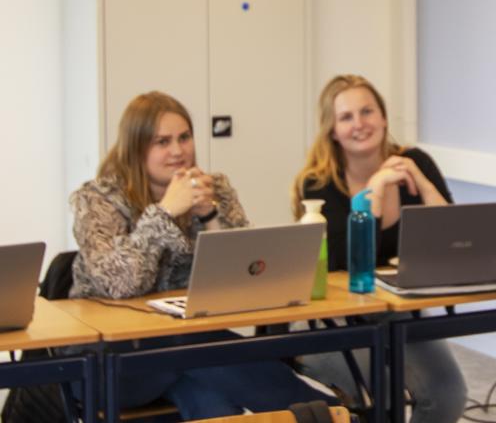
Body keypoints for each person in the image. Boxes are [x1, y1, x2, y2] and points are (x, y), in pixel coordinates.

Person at [69, 91, 335, 419]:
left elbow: (248, 277)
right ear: (136, 149)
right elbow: (121, 283)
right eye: (162, 142)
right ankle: (324, 410)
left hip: (188, 358)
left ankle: (319, 410)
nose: (178, 151)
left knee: (210, 401)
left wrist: (210, 215)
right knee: (194, 344)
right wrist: (165, 211)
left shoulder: (215, 189)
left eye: (184, 137)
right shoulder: (98, 199)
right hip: (108, 364)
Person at [291, 74, 467, 423]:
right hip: (330, 317)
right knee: (379, 394)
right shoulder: (317, 183)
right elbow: (342, 264)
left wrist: (424, 184)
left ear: (384, 117)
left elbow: (457, 240)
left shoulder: (414, 161)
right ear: (332, 130)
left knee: (447, 394)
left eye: (367, 111)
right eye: (346, 117)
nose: (360, 124)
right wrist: (373, 191)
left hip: (399, 310)